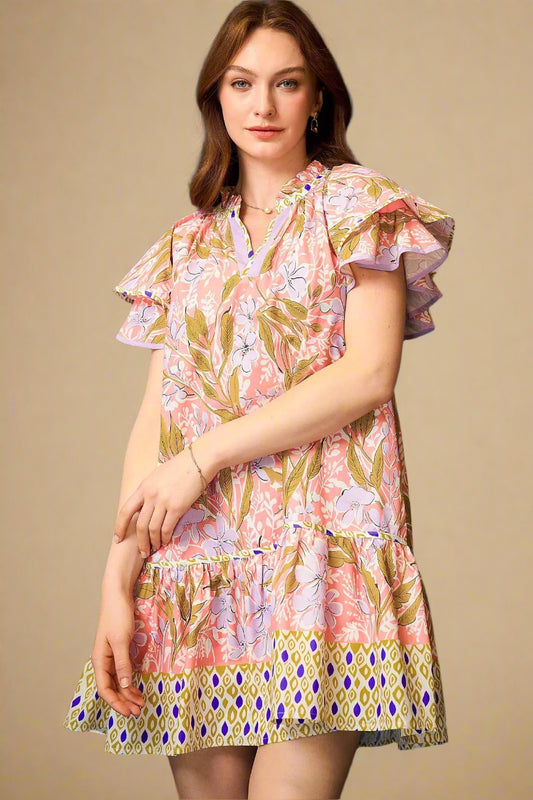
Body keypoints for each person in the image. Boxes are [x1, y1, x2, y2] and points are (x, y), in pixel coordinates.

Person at [64, 1, 455, 798]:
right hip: (194, 566)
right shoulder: (186, 246)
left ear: (318, 97)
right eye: (241, 83)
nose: (262, 105)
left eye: (286, 82)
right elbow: (159, 416)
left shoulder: (357, 208)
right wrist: (119, 575)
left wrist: (203, 458)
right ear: (216, 98)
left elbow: (367, 375)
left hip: (319, 556)